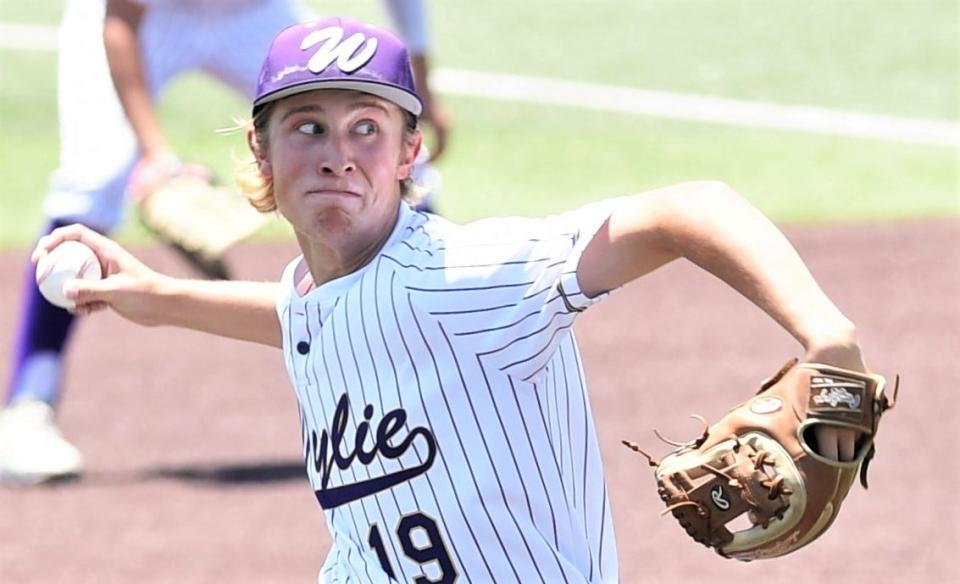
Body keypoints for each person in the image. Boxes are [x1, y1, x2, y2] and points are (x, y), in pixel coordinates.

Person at [29, 17, 871, 582]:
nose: (336, 154)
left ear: (408, 153)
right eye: (307, 127)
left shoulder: (471, 274)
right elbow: (308, 317)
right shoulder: (322, 290)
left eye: (367, 128)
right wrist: (160, 295)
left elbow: (694, 208)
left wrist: (826, 338)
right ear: (261, 147)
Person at [0, 0, 450, 485]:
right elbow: (122, 20)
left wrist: (419, 87)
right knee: (97, 172)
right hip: (143, 19)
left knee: (394, 151)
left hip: (252, 12)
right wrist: (157, 157)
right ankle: (29, 404)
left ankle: (439, 365)